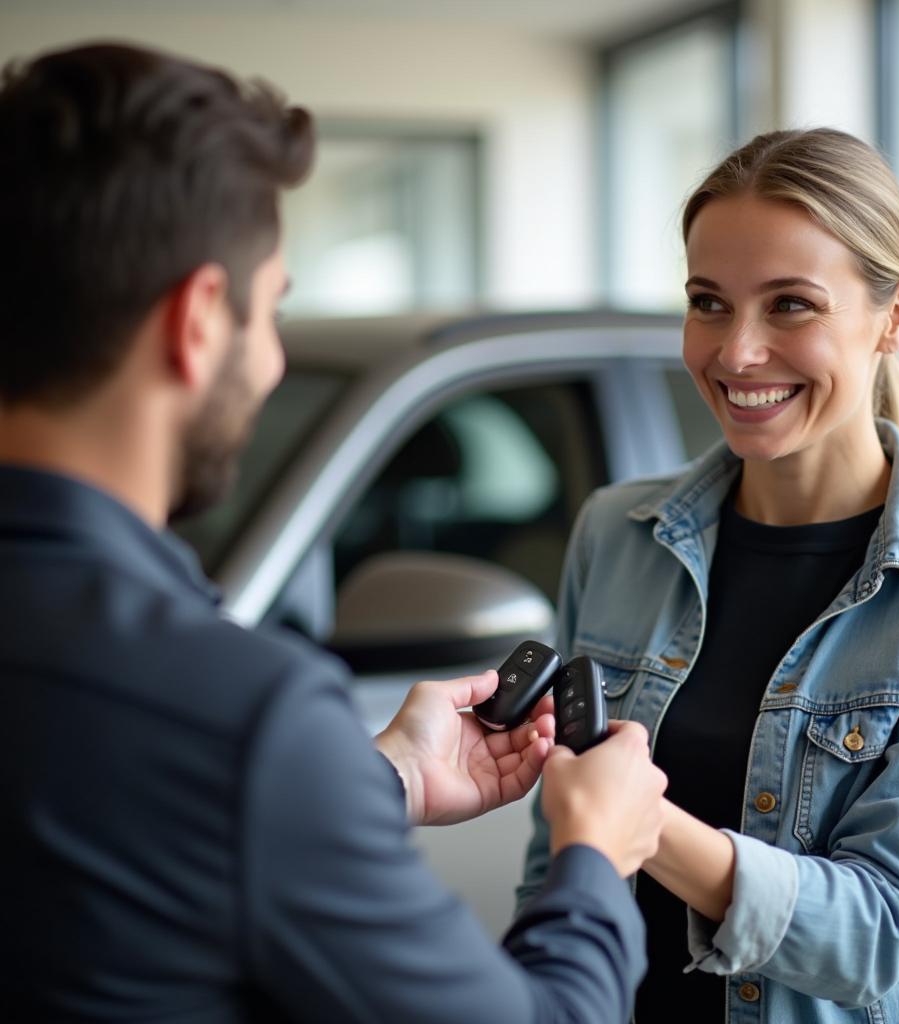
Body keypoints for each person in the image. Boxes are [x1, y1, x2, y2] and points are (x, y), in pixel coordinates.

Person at [0, 42, 669, 1023]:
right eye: (271, 311)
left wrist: (377, 773)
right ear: (197, 320)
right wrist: (594, 857)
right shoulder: (234, 717)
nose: (269, 361)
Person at [517, 127, 899, 1022]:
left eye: (790, 305)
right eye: (708, 302)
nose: (737, 351)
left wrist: (639, 824)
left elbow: (883, 926)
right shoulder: (615, 533)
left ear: (895, 317)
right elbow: (553, 858)